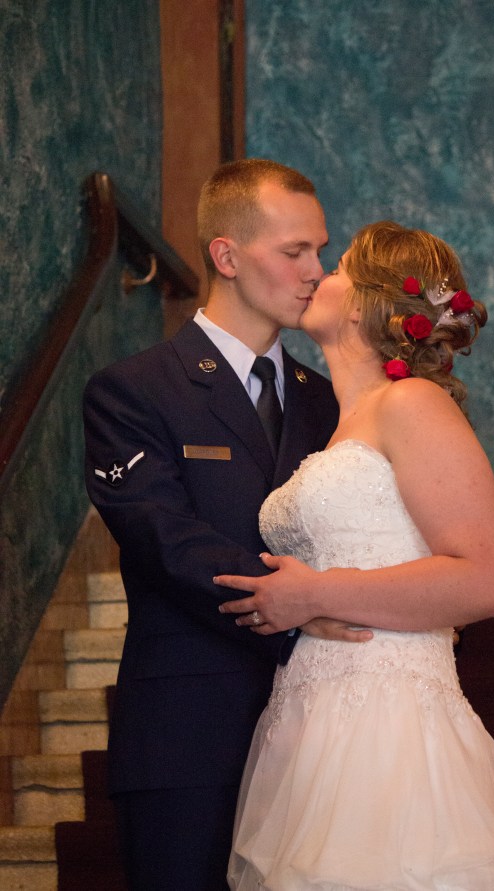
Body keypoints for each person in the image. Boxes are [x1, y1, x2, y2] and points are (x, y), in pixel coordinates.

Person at [216, 221, 494, 890]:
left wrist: (315, 594)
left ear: (365, 304)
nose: (318, 276)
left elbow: (486, 581)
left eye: (337, 266)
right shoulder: (339, 422)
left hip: (389, 726)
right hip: (309, 718)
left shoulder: (413, 404)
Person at [83, 158, 370, 891]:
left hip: (326, 728)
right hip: (188, 730)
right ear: (227, 256)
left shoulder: (329, 401)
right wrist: (297, 606)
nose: (317, 271)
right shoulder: (132, 391)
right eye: (294, 250)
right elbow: (163, 537)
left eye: (320, 249)